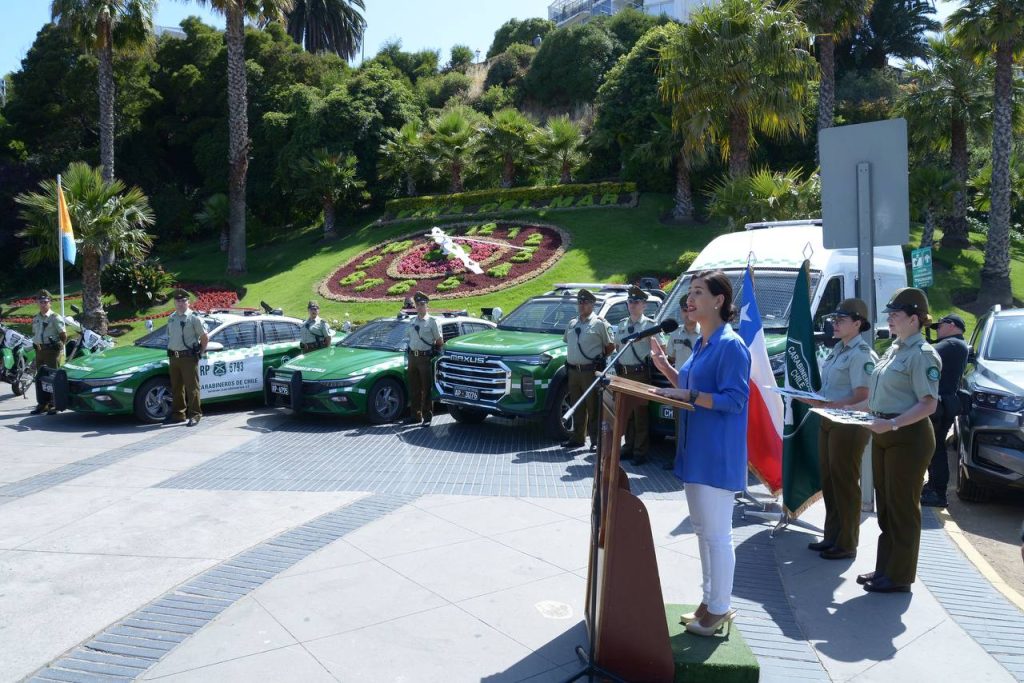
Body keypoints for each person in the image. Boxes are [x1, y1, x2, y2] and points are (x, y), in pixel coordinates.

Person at [650, 270, 750, 636]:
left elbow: (735, 400)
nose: (689, 300)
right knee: (702, 531)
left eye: (697, 293)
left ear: (719, 300)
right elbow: (690, 387)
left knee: (717, 535)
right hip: (695, 451)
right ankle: (708, 601)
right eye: (689, 293)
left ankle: (721, 607)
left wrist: (688, 395)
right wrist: (666, 371)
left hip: (717, 453)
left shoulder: (730, 345)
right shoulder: (703, 344)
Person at [857, 288, 941, 593]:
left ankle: (900, 576)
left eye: (896, 315)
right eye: (890, 315)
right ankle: (885, 570)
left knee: (903, 508)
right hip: (885, 431)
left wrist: (891, 424)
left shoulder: (922, 354)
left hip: (907, 435)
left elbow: (928, 403)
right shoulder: (895, 350)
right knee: (888, 507)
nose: (889, 319)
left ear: (915, 319)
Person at [800, 299, 877, 560]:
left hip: (849, 424)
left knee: (844, 482)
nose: (835, 324)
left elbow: (862, 396)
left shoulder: (861, 354)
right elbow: (831, 390)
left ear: (857, 324)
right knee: (830, 481)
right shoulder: (839, 350)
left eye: (841, 320)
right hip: (830, 419)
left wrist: (830, 404)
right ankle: (831, 536)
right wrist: (814, 398)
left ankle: (846, 543)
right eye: (835, 319)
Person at [920, 313, 970, 508]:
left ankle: (938, 492)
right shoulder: (954, 345)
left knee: (936, 448)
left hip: (941, 405)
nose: (937, 330)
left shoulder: (953, 344)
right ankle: (934, 487)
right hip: (942, 404)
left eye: (939, 326)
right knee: (934, 447)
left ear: (951, 325)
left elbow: (924, 353)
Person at [613, 286, 660, 465]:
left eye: (636, 302)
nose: (632, 305)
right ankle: (629, 447)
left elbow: (659, 350)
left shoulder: (650, 325)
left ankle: (640, 452)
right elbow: (617, 347)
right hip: (624, 373)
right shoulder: (623, 324)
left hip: (640, 374)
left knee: (640, 414)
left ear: (644, 305)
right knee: (628, 414)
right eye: (630, 302)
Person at [562, 289, 614, 451]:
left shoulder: (599, 323)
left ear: (592, 304)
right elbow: (566, 341)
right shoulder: (572, 323)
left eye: (585, 302)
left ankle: (595, 440)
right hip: (573, 372)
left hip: (590, 372)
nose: (581, 305)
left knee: (593, 407)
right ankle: (577, 438)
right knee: (577, 405)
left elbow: (610, 346)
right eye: (580, 302)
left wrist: (599, 358)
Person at [165, 288, 209, 427]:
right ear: (174, 302)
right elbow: (170, 337)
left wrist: (201, 351)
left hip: (188, 358)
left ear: (188, 302)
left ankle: (195, 414)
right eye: (177, 301)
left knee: (192, 388)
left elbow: (204, 337)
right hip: (174, 358)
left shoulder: (193, 318)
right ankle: (178, 414)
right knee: (177, 388)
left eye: (183, 301)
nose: (180, 303)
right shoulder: (171, 318)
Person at [405, 291, 443, 426]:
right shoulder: (411, 321)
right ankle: (415, 415)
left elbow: (439, 341)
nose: (420, 307)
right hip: (412, 357)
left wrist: (434, 354)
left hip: (425, 358)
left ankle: (427, 416)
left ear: (427, 306)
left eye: (422, 304)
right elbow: (409, 338)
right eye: (417, 305)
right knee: (414, 388)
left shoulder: (432, 322)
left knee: (426, 388)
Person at [30, 290, 67, 415]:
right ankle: (43, 403)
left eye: (45, 302)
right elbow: (35, 334)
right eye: (41, 302)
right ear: (38, 303)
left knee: (53, 378)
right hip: (40, 350)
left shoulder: (55, 317)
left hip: (52, 351)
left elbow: (63, 335)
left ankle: (54, 403)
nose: (43, 304)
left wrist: (60, 347)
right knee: (40, 378)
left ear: (49, 303)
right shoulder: (36, 318)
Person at [667, 299, 700, 372]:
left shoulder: (706, 333)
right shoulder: (675, 334)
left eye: (691, 310)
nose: (687, 314)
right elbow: (671, 358)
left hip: (699, 380)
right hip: (679, 379)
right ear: (681, 312)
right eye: (685, 310)